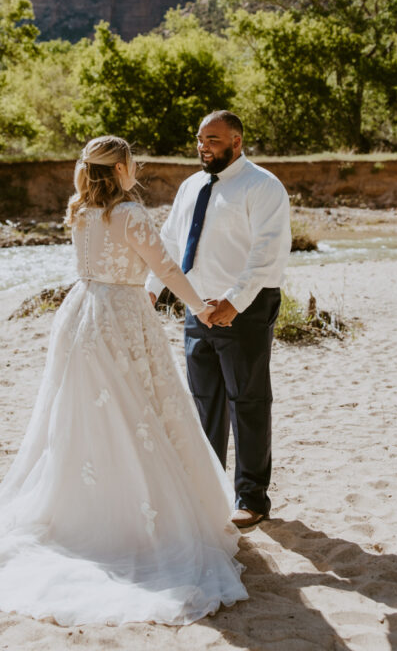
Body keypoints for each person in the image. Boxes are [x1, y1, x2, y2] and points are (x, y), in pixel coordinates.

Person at [0, 136, 248, 626]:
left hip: (83, 312)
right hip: (120, 317)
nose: (136, 168)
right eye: (132, 162)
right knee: (134, 410)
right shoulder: (129, 214)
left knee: (85, 411)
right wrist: (201, 307)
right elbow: (165, 267)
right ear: (122, 168)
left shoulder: (82, 212)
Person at [146, 111, 291, 529]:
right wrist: (154, 289)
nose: (202, 146)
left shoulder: (263, 187)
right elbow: (171, 242)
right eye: (199, 138)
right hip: (196, 309)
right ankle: (209, 493)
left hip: (245, 309)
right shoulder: (191, 186)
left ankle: (252, 498)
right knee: (204, 402)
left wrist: (234, 301)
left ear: (237, 142)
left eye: (212, 139)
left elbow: (267, 251)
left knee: (247, 401)